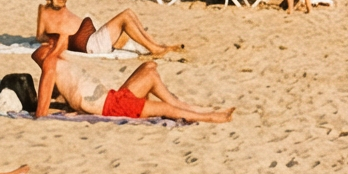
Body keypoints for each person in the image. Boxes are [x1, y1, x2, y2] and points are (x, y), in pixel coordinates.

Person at [31, 50, 233, 123]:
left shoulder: (57, 68)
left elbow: (65, 100)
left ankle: (186, 106)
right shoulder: (50, 69)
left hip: (113, 99)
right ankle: (209, 116)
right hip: (112, 106)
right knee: (167, 109)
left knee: (149, 67)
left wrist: (67, 110)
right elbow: (41, 112)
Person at [35, 0, 182, 56]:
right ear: (50, 0)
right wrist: (53, 38)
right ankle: (154, 48)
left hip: (91, 40)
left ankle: (156, 45)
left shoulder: (48, 10)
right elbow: (40, 36)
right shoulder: (44, 10)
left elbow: (41, 35)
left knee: (128, 14)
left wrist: (51, 36)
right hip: (90, 44)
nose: (64, 3)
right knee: (125, 15)